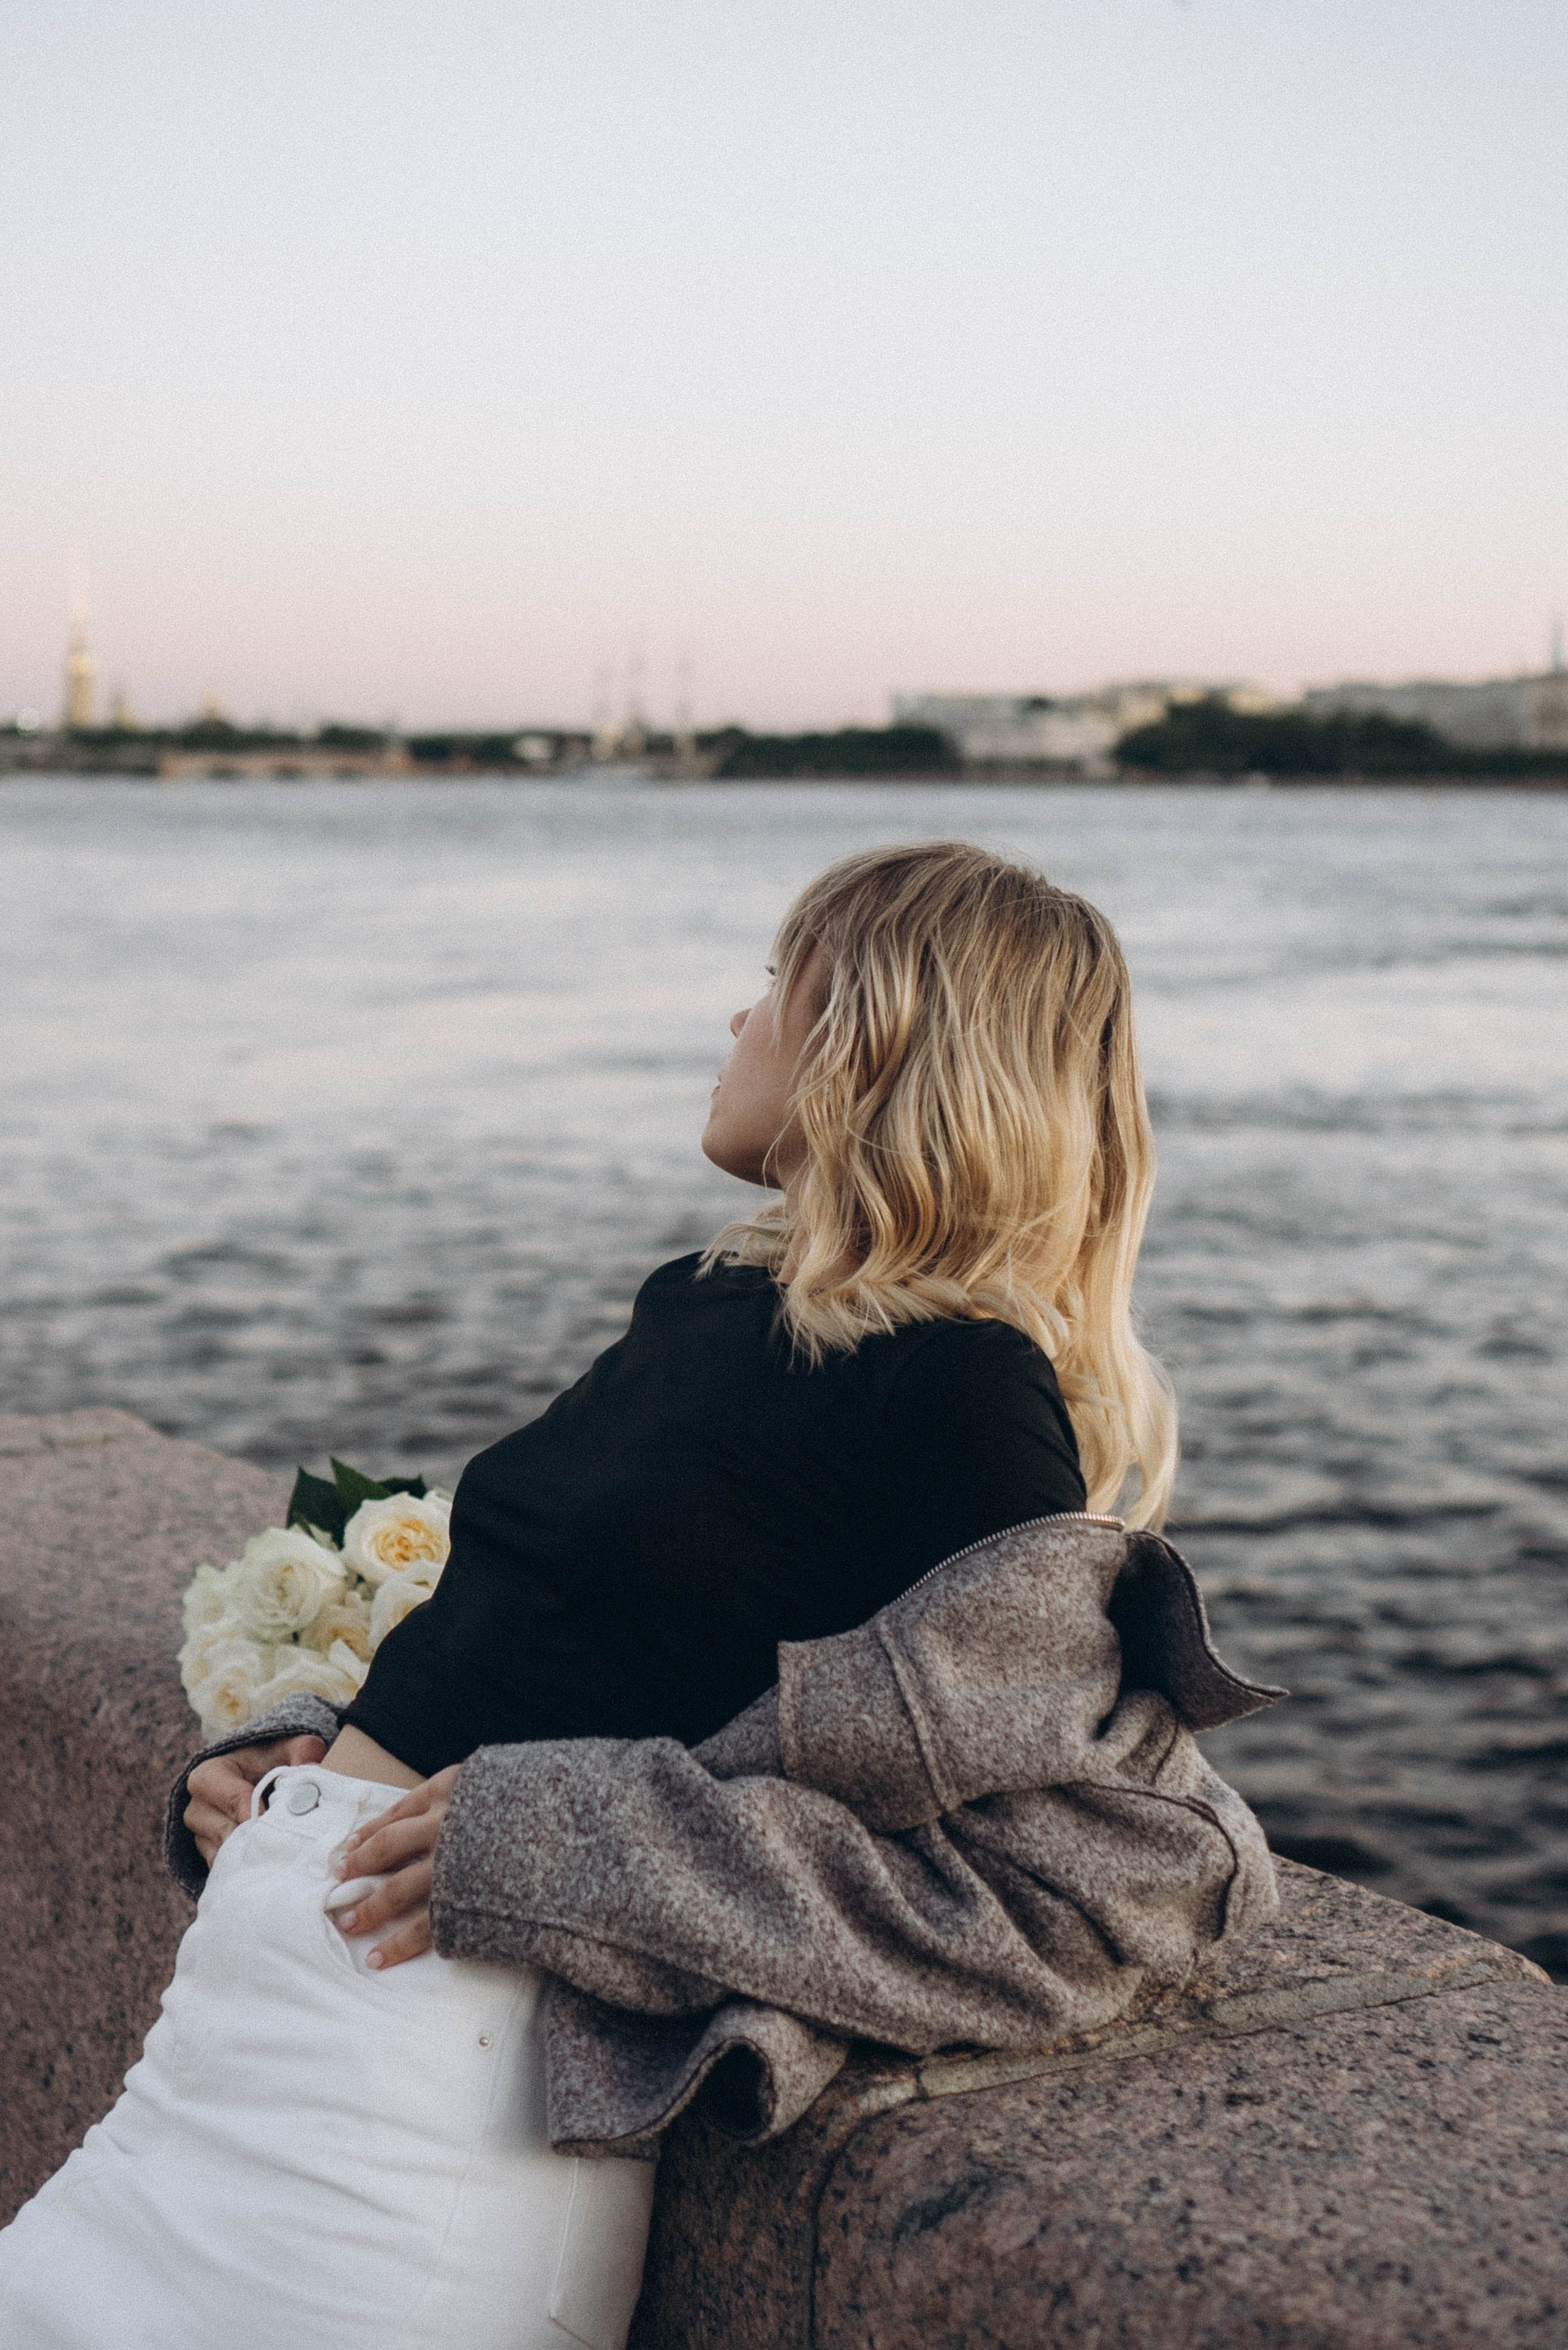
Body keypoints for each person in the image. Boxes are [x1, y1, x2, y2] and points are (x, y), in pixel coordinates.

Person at [0, 842, 1270, 2350]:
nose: (731, 1028)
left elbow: (1100, 1885)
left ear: (867, 1039)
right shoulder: (713, 1304)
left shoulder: (959, 1397)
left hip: (406, 2134)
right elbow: (569, 1646)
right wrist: (294, 1758)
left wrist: (563, 1842)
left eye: (766, 992)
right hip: (232, 2057)